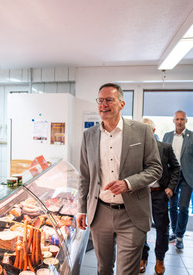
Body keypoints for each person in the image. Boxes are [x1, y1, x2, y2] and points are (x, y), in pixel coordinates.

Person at [76, 83, 163, 275]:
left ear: (122, 104)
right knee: (103, 268)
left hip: (132, 214)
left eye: (109, 100)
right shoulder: (88, 136)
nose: (103, 105)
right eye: (100, 100)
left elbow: (156, 168)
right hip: (100, 213)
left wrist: (128, 183)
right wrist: (81, 209)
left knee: (126, 272)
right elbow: (85, 176)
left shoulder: (142, 131)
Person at [140, 118, 180, 275]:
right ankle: (143, 257)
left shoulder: (165, 148)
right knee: (141, 227)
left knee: (162, 228)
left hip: (159, 194)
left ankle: (160, 259)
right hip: (141, 194)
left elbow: (176, 168)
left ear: (153, 131)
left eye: (146, 130)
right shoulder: (136, 149)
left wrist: (170, 187)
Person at [163, 110, 193, 250]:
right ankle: (174, 232)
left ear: (186, 121)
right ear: (173, 120)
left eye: (182, 119)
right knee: (172, 206)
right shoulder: (167, 136)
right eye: (177, 119)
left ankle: (180, 235)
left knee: (183, 207)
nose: (180, 121)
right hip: (172, 175)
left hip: (187, 176)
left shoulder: (191, 136)